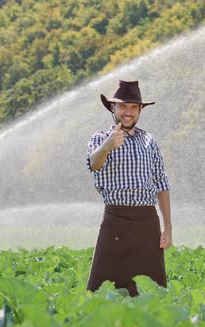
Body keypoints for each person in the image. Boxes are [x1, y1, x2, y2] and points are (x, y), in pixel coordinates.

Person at [85, 80, 172, 297]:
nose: (128, 112)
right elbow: (93, 164)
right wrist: (108, 146)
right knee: (100, 291)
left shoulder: (149, 141)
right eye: (123, 106)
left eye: (134, 107)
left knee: (151, 293)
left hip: (147, 224)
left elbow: (162, 183)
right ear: (112, 108)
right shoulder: (100, 138)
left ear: (140, 110)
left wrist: (167, 227)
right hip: (115, 221)